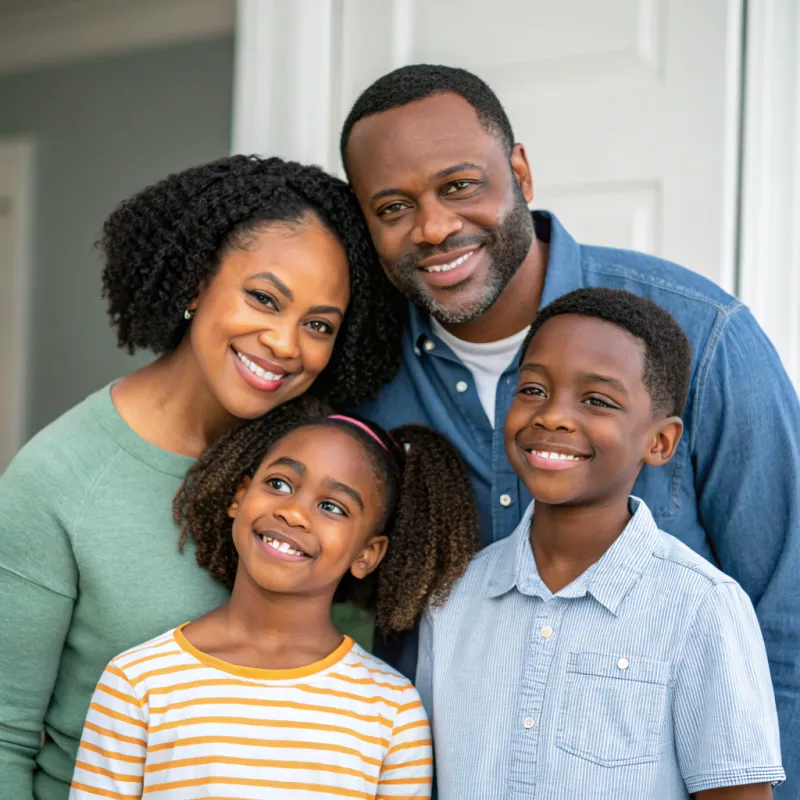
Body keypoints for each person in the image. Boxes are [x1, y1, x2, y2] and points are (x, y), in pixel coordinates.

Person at [339, 64, 800, 785]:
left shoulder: (702, 337)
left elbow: (789, 613)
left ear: (520, 171)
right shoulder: (360, 374)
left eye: (460, 185)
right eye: (393, 207)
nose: (433, 227)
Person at [0, 155, 406, 799]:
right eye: (264, 299)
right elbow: (4, 737)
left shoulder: (328, 463)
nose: (284, 343)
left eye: (319, 325)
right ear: (195, 284)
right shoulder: (57, 480)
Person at [417, 287, 785, 799]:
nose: (552, 416)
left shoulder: (703, 608)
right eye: (533, 390)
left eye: (597, 400)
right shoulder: (453, 599)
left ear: (660, 442)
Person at [68, 397, 479, 799]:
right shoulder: (138, 682)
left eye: (332, 507)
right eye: (279, 484)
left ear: (366, 555)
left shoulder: (392, 711)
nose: (293, 513)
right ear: (239, 497)